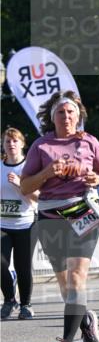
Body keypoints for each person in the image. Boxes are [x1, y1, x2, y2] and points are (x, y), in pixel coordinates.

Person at [20, 91, 99, 342]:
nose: (67, 116)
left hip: (83, 211)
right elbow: (26, 187)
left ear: (78, 115)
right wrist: (48, 172)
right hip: (50, 217)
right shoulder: (41, 146)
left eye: (71, 112)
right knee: (65, 286)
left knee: (75, 279)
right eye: (61, 112)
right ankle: (85, 320)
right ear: (53, 117)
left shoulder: (89, 142)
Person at [1, 128, 37, 320]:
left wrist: (20, 184)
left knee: (23, 266)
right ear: (3, 145)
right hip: (2, 224)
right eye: (7, 141)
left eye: (15, 141)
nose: (11, 144)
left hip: (26, 224)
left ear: (22, 144)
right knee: (0, 263)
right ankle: (9, 300)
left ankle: (26, 305)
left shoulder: (29, 168)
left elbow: (38, 198)